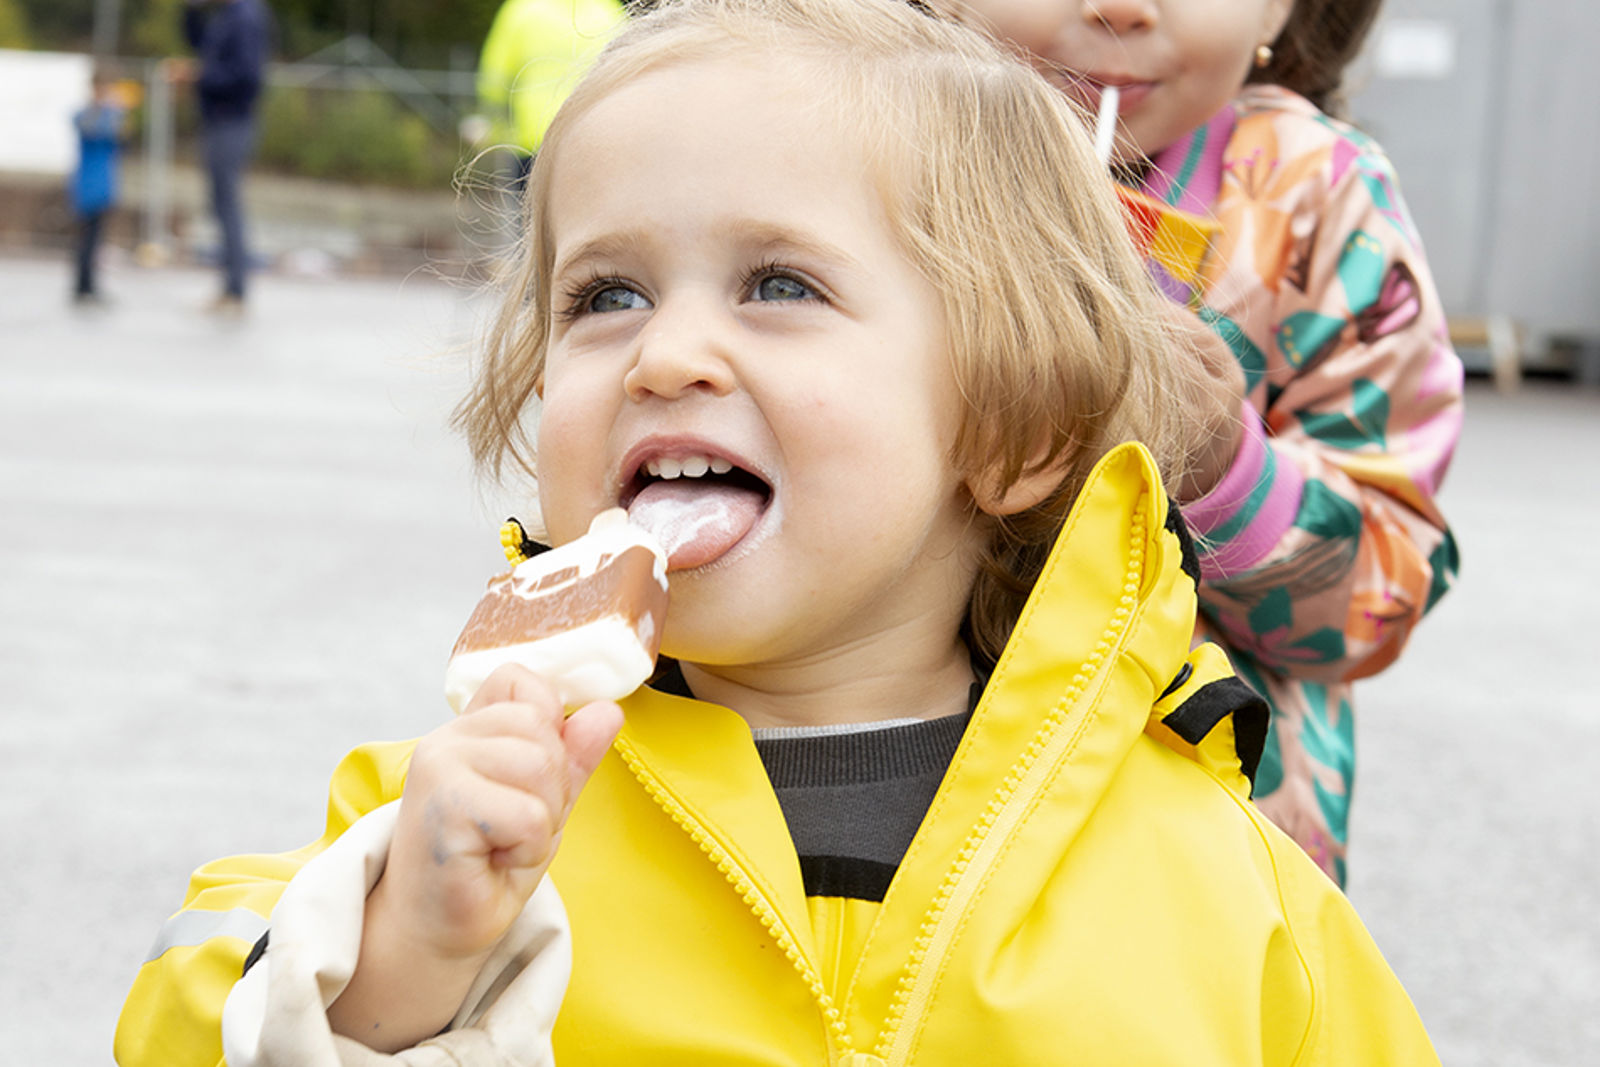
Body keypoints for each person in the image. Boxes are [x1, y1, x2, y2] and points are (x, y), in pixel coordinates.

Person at [115, 1, 1441, 1063]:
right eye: (606, 295)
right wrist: (397, 968)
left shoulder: (1231, 892)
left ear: (1015, 426)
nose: (666, 353)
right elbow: (180, 1016)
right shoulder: (446, 821)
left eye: (780, 283)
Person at [944, 0, 1464, 885]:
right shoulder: (856, 146)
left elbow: (1382, 589)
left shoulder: (1320, 200)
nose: (1120, 7)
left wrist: (1226, 464)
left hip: (1207, 844)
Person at [180, 0, 273, 313]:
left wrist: (199, 77)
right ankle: (231, 288)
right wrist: (191, 11)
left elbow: (246, 75)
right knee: (220, 204)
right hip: (220, 121)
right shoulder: (226, 15)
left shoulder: (245, 16)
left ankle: (236, 290)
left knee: (228, 203)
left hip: (232, 121)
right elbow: (200, 43)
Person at [475, 0, 627, 190]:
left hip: (533, 135)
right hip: (593, 134)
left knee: (530, 205)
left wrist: (493, 120)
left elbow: (495, 76)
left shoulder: (521, 10)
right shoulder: (608, 11)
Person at [69, 67, 128, 306]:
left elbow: (122, 141)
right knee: (86, 239)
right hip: (87, 185)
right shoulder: (85, 114)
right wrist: (103, 109)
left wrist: (116, 112)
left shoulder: (114, 115)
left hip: (104, 185)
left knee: (96, 240)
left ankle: (90, 285)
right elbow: (89, 129)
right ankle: (83, 286)